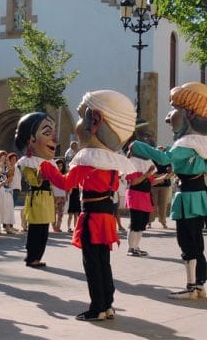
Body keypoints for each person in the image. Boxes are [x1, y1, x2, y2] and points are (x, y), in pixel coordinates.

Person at [40, 89, 137, 321]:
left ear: (95, 122)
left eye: (82, 117)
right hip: (104, 217)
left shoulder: (88, 158)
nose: (78, 125)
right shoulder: (111, 161)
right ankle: (107, 304)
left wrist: (46, 167)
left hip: (93, 217)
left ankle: (98, 308)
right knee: (104, 262)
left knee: (92, 264)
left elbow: (65, 183)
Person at [132, 82, 207, 300]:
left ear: (189, 114)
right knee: (196, 240)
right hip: (197, 194)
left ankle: (191, 286)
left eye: (174, 109)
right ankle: (199, 284)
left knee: (187, 241)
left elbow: (165, 160)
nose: (169, 117)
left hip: (188, 197)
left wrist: (138, 146)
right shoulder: (201, 144)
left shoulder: (186, 143)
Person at [16, 112, 57, 268]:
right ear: (30, 139)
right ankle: (31, 257)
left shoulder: (49, 162)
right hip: (36, 196)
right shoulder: (27, 162)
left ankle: (38, 257)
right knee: (35, 230)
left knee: (44, 231)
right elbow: (34, 181)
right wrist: (42, 173)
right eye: (47, 132)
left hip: (47, 197)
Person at [124, 142, 155, 256]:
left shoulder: (146, 163)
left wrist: (167, 176)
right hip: (135, 195)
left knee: (142, 223)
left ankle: (136, 247)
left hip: (145, 196)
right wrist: (147, 173)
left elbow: (152, 181)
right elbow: (134, 181)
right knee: (135, 222)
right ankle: (130, 249)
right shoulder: (132, 162)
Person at [0, 150, 17, 233]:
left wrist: (8, 165)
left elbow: (11, 177)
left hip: (7, 189)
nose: (4, 158)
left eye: (5, 156)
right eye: (2, 156)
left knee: (8, 208)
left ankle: (8, 227)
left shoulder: (8, 167)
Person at [149, 145, 173, 229]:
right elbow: (150, 173)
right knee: (152, 204)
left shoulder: (167, 161)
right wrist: (160, 176)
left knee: (163, 204)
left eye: (162, 151)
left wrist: (165, 177)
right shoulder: (151, 161)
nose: (160, 152)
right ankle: (149, 222)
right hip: (154, 185)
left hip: (165, 185)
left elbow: (171, 172)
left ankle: (163, 222)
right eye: (159, 150)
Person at [51, 159, 68, 232]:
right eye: (58, 165)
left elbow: (66, 186)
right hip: (55, 195)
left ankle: (58, 227)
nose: (59, 167)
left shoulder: (65, 175)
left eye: (61, 165)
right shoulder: (52, 175)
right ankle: (54, 227)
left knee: (61, 213)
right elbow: (50, 186)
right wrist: (52, 195)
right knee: (53, 212)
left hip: (62, 196)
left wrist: (66, 195)